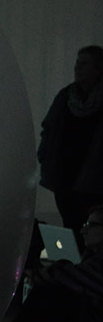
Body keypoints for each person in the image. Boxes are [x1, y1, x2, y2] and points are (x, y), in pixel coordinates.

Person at [37, 45, 103, 229]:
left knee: (93, 232)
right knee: (71, 229)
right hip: (65, 180)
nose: (77, 68)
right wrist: (45, 159)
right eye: (77, 63)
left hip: (95, 184)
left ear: (98, 69)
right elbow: (48, 130)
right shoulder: (65, 97)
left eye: (84, 64)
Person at [15, 206, 103, 322]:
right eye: (85, 225)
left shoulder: (97, 265)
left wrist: (36, 275)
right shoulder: (92, 260)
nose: (83, 231)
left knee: (55, 291)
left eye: (91, 225)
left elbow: (70, 276)